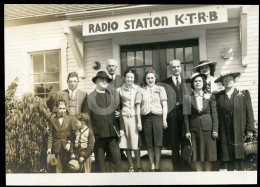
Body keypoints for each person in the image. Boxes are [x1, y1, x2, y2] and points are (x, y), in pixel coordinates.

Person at [214, 71, 255, 171]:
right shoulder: (218, 96)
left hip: (240, 129)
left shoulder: (243, 94)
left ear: (234, 80)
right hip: (224, 130)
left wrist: (250, 129)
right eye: (225, 80)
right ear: (222, 83)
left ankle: (241, 177)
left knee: (240, 156)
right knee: (227, 155)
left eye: (230, 79)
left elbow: (249, 112)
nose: (228, 81)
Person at [53, 71, 93, 172]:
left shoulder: (83, 94)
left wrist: (86, 128)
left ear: (78, 82)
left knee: (77, 149)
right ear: (67, 82)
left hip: (78, 127)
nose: (72, 83)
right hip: (64, 127)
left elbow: (86, 114)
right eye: (70, 81)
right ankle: (65, 171)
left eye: (75, 81)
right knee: (65, 150)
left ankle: (79, 171)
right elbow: (54, 109)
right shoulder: (60, 94)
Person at [87, 71, 124, 172]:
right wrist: (91, 135)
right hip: (98, 136)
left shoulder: (112, 96)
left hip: (112, 135)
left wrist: (121, 128)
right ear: (96, 81)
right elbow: (87, 118)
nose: (104, 81)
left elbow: (118, 113)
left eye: (106, 80)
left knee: (117, 162)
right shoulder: (90, 98)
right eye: (101, 79)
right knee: (100, 164)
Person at [183, 73, 218, 171]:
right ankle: (198, 174)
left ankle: (207, 175)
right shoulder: (187, 98)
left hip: (208, 128)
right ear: (193, 84)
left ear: (203, 83)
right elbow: (186, 116)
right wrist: (187, 131)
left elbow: (214, 114)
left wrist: (215, 129)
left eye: (199, 81)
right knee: (196, 154)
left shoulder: (210, 96)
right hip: (194, 129)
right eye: (195, 81)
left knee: (208, 154)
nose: (198, 83)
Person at [135, 69, 168, 172]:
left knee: (158, 144)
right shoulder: (140, 90)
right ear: (145, 79)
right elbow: (137, 107)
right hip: (146, 119)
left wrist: (164, 120)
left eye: (152, 78)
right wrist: (139, 121)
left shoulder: (161, 89)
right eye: (148, 78)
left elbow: (165, 105)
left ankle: (157, 165)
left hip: (158, 118)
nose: (150, 80)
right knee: (149, 144)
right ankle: (152, 164)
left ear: (155, 78)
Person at [162, 59, 189, 171]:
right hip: (172, 116)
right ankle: (176, 168)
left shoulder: (187, 81)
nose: (176, 69)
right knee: (174, 142)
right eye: (173, 67)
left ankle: (185, 166)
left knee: (185, 141)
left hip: (185, 116)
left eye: (178, 66)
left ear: (181, 68)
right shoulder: (165, 83)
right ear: (170, 69)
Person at [116, 68, 141, 172]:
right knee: (126, 143)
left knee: (135, 143)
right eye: (128, 77)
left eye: (131, 77)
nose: (130, 79)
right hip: (124, 117)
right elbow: (117, 105)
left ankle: (138, 166)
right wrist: (117, 113)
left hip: (135, 117)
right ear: (125, 78)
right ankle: (131, 166)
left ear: (134, 78)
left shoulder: (139, 89)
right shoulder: (119, 90)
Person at [47, 99, 76, 173]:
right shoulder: (52, 120)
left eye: (63, 108)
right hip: (56, 146)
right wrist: (49, 147)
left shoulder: (70, 119)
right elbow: (50, 134)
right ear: (56, 109)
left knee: (67, 167)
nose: (62, 110)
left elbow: (73, 133)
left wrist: (69, 143)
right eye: (60, 108)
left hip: (67, 147)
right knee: (58, 167)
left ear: (66, 108)